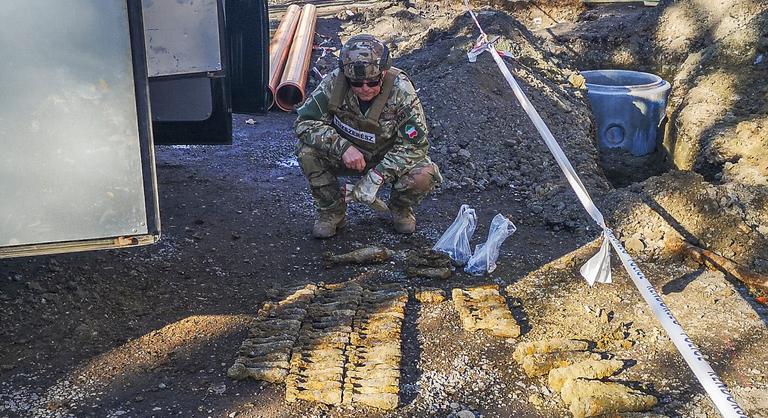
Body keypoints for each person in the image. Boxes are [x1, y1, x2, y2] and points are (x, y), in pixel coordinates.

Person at [294, 34, 442, 238]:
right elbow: (305, 122)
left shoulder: (401, 90)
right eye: (356, 83)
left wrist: (378, 175)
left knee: (425, 173)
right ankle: (331, 212)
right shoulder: (334, 83)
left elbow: (415, 146)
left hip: (386, 157)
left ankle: (400, 208)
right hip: (347, 155)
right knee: (307, 152)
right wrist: (342, 147)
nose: (365, 88)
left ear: (383, 73)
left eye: (372, 82)